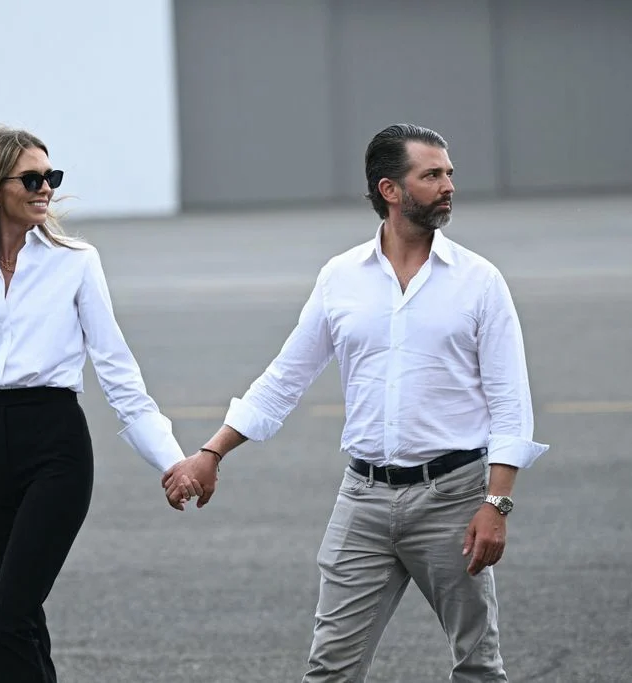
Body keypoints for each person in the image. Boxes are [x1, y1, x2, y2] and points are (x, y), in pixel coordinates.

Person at [163, 123, 549, 682]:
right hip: (363, 500)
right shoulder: (340, 277)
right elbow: (284, 379)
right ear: (390, 190)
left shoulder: (480, 281)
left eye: (449, 174)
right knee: (329, 670)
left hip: (453, 500)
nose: (448, 186)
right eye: (432, 175)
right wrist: (212, 452)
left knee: (478, 667)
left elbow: (511, 403)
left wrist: (497, 503)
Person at [0, 125, 200, 682]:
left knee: (6, 623)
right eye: (32, 179)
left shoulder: (77, 261)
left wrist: (172, 461)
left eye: (52, 177)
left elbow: (119, 374)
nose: (46, 188)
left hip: (57, 447)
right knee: (23, 621)